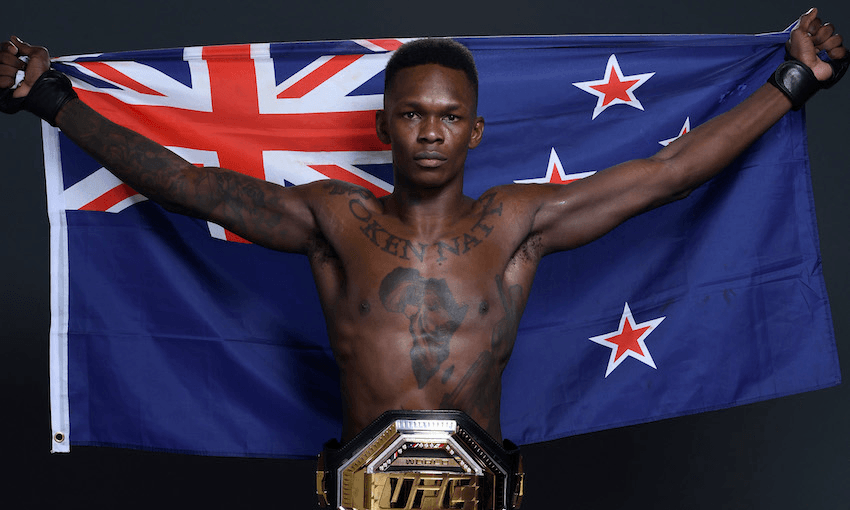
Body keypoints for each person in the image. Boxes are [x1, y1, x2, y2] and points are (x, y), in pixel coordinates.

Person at [1, 7, 846, 510]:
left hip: (486, 492)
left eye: (448, 115)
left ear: (474, 130)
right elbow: (187, 185)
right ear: (385, 127)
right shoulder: (333, 216)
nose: (431, 129)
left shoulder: (519, 221)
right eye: (412, 114)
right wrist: (52, 100)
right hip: (356, 492)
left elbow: (666, 174)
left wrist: (792, 84)